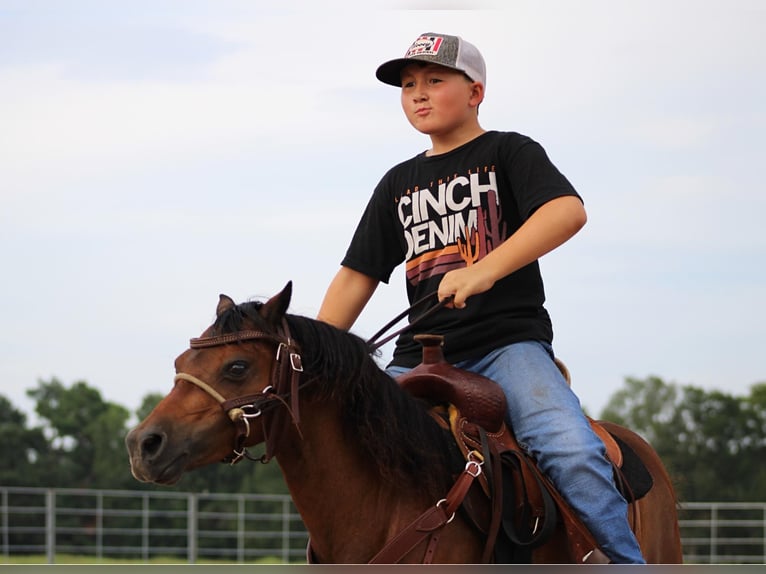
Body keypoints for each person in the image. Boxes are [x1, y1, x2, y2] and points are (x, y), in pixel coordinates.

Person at [317, 32, 645, 564]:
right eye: (407, 86)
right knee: (344, 446)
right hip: (417, 358)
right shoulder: (397, 182)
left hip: (507, 346)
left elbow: (566, 212)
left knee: (572, 450)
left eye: (434, 81)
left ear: (475, 92)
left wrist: (484, 271)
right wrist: (319, 354)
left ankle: (621, 563)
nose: (418, 94)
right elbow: (357, 275)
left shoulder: (508, 151)